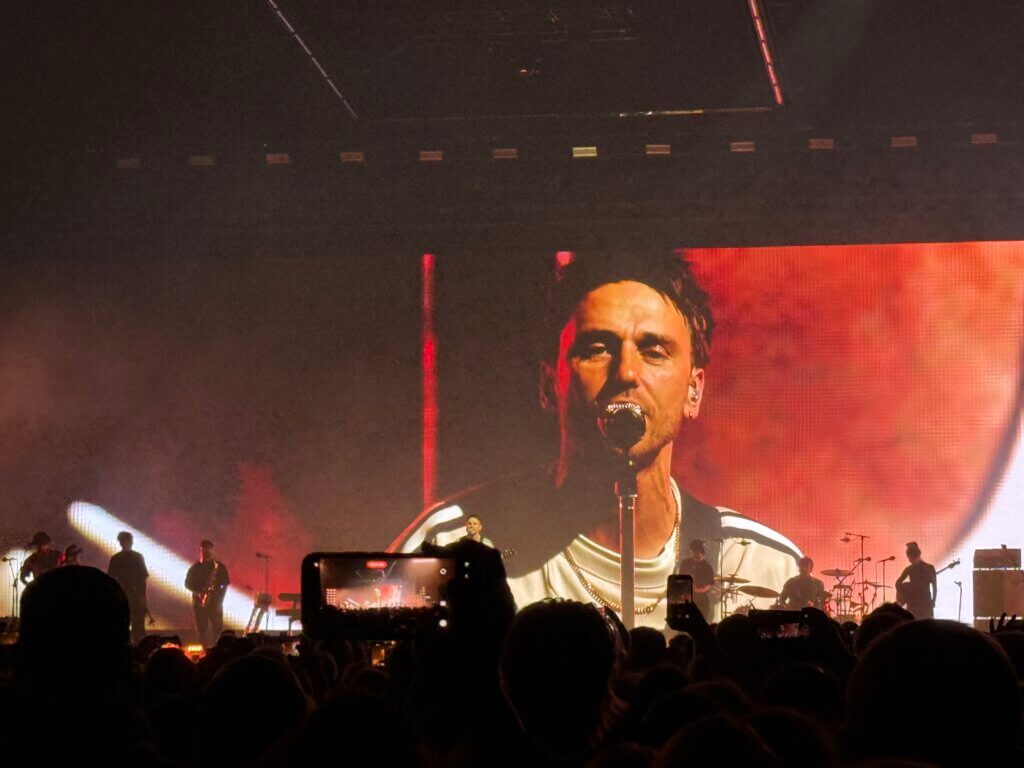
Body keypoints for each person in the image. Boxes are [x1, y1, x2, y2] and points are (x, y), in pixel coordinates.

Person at [391, 250, 802, 627]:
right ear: (548, 385)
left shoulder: (763, 565)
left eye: (654, 352)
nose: (626, 373)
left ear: (694, 391)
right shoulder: (445, 549)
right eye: (597, 348)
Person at [184, 539, 230, 647]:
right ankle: (203, 651)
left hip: (215, 603)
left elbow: (225, 584)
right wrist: (199, 593)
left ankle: (217, 650)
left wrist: (220, 600)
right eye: (205, 549)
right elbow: (187, 584)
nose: (207, 551)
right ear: (200, 550)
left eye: (209, 549)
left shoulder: (218, 567)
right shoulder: (194, 568)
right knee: (201, 631)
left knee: (218, 631)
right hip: (200, 604)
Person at [107, 531, 150, 644]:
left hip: (127, 597)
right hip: (127, 597)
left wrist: (142, 597)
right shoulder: (136, 557)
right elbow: (143, 578)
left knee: (130, 625)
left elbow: (111, 579)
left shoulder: (118, 558)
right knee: (133, 626)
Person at [895, 541, 937, 619]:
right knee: (927, 625)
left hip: (913, 604)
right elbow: (935, 587)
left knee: (914, 624)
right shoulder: (930, 568)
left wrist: (903, 593)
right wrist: (933, 601)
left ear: (912, 556)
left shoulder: (909, 569)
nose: (909, 560)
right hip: (926, 603)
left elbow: (897, 583)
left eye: (909, 558)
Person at [677, 539, 716, 619]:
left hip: (700, 599)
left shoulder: (707, 567)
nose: (696, 553)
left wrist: (698, 590)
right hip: (685, 596)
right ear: (691, 551)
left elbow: (709, 585)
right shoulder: (685, 563)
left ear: (702, 552)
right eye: (694, 551)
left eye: (698, 551)